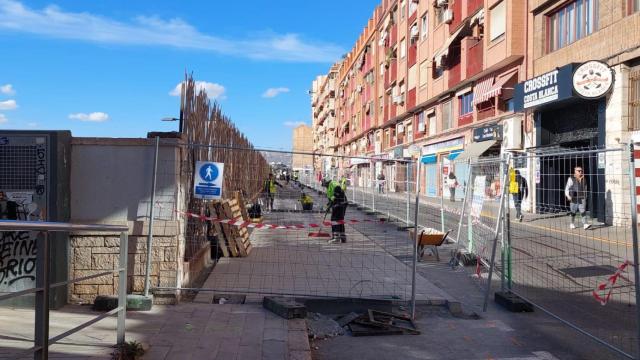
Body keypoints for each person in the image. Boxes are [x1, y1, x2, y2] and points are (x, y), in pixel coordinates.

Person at [565, 165, 590, 229]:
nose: (580, 172)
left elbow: (585, 188)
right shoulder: (571, 178)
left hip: (582, 197)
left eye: (581, 171)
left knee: (583, 211)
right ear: (575, 171)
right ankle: (572, 223)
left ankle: (585, 224)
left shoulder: (584, 178)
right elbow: (567, 188)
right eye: (579, 171)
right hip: (574, 198)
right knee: (573, 211)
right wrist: (568, 196)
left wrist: (585, 196)